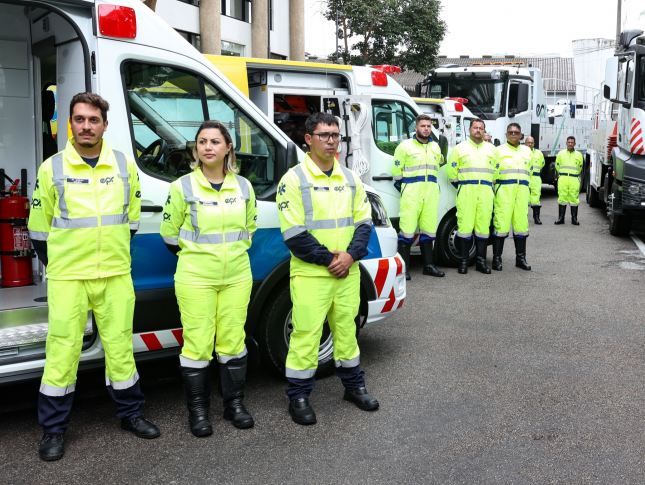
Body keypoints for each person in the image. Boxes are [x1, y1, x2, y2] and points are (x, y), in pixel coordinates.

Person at [28, 92, 159, 462]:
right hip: (70, 276)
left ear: (105, 123)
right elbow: (38, 231)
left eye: (93, 120)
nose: (86, 126)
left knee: (121, 348)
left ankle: (131, 415)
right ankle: (53, 431)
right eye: (80, 119)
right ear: (70, 122)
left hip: (115, 274)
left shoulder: (122, 165)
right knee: (62, 352)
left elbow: (130, 220)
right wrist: (62, 264)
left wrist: (111, 253)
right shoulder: (52, 167)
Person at [276, 112, 378, 425]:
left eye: (335, 135)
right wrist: (331, 260)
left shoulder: (350, 178)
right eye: (324, 135)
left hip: (347, 272)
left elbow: (364, 222)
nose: (331, 141)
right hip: (311, 274)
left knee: (347, 332)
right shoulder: (293, 179)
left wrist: (350, 256)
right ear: (308, 139)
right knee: (306, 335)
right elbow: (293, 233)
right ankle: (299, 396)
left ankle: (354, 387)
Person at [161, 120, 257, 437]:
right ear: (196, 149)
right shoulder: (183, 187)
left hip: (238, 276)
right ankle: (199, 412)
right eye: (202, 142)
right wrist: (199, 259)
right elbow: (169, 234)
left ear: (228, 147)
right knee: (198, 344)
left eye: (215, 141)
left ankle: (235, 405)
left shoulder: (243, 187)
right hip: (195, 277)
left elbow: (250, 230)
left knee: (233, 341)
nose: (208, 147)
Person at [392, 114, 445, 279]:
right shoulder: (404, 146)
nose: (426, 129)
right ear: (416, 128)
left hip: (430, 192)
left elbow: (440, 164)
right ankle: (404, 268)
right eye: (423, 126)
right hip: (411, 193)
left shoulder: (436, 147)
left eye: (428, 126)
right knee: (407, 231)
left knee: (429, 230)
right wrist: (407, 188)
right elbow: (396, 173)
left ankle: (428, 266)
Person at [447, 119, 498, 274]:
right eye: (475, 128)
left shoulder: (492, 149)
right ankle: (463, 262)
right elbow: (451, 172)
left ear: (484, 131)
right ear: (469, 130)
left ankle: (481, 262)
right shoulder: (459, 149)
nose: (478, 130)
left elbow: (496, 171)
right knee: (464, 227)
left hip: (486, 191)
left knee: (483, 227)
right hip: (466, 190)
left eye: (481, 128)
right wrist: (463, 187)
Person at [492, 123, 533, 271]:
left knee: (521, 226)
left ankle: (520, 259)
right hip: (504, 192)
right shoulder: (498, 151)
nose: (513, 134)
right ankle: (497, 259)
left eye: (516, 132)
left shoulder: (528, 151)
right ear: (506, 135)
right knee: (501, 225)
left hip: (522, 192)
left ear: (521, 135)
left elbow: (531, 172)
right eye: (510, 132)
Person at [555, 136, 584, 225]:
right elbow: (557, 165)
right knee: (562, 197)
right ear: (566, 143)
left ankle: (574, 219)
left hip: (574, 179)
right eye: (569, 142)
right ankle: (561, 218)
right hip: (563, 178)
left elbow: (580, 167)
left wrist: (573, 174)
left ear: (575, 144)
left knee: (574, 198)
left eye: (572, 142)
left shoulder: (579, 155)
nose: (570, 144)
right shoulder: (561, 153)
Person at [525, 136, 544, 225]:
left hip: (536, 178)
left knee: (536, 198)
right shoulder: (522, 152)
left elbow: (542, 163)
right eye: (528, 142)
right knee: (524, 198)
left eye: (532, 143)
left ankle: (536, 218)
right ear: (525, 143)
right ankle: (523, 217)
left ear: (534, 144)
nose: (530, 144)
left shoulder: (539, 153)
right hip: (525, 177)